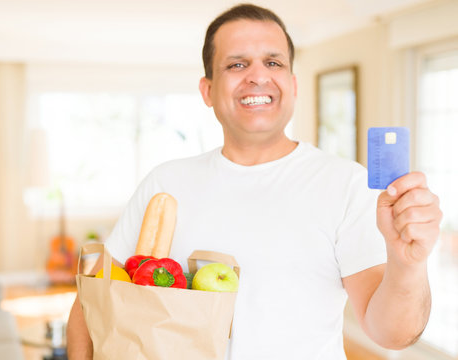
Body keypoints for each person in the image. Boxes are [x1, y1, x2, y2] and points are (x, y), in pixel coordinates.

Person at [67, 4, 442, 359]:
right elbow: (90, 305)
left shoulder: (345, 184)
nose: (257, 76)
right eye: (237, 64)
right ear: (208, 90)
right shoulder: (166, 184)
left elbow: (392, 334)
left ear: (293, 86)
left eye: (273, 62)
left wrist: (407, 263)